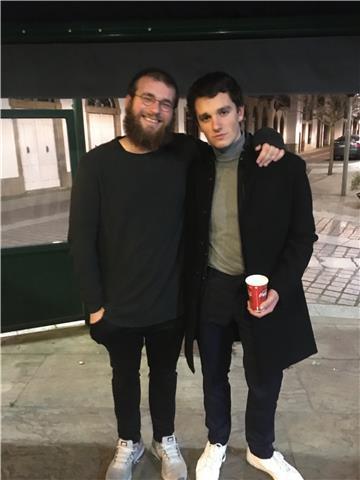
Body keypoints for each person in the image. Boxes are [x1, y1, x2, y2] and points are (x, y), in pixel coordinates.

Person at [68, 67, 284, 480]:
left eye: (166, 103)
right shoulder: (97, 164)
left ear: (173, 112)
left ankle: (164, 438)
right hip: (116, 305)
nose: (156, 109)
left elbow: (233, 143)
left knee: (164, 377)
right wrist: (94, 306)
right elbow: (80, 240)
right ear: (129, 101)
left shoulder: (186, 152)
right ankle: (128, 441)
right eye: (148, 99)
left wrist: (270, 139)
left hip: (171, 304)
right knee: (124, 377)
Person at [184, 72, 318, 480]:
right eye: (205, 117)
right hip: (212, 286)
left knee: (265, 375)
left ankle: (261, 448)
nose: (216, 124)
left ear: (240, 112)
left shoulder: (282, 166)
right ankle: (217, 441)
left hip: (262, 289)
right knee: (213, 374)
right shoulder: (192, 166)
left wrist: (279, 287)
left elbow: (302, 236)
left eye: (224, 112)